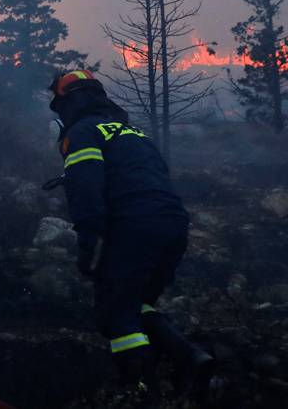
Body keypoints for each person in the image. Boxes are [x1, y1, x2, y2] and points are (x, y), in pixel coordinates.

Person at [49, 69, 213, 394]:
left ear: (68, 103)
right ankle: (190, 357)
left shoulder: (82, 132)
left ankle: (137, 391)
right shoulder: (132, 132)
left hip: (133, 228)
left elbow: (86, 189)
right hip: (173, 225)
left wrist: (88, 243)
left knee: (116, 314)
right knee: (138, 301)